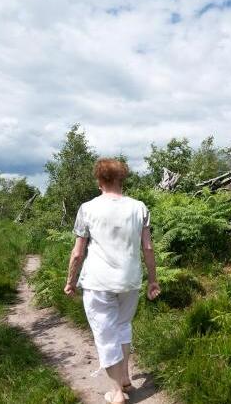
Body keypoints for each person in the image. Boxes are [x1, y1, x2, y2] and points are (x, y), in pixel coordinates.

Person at [64, 158, 160, 404]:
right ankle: (125, 379)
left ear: (99, 181)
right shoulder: (139, 207)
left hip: (98, 281)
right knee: (122, 326)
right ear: (122, 179)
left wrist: (70, 281)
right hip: (130, 280)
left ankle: (117, 392)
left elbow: (77, 252)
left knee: (105, 333)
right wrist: (153, 280)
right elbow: (148, 248)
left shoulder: (87, 208)